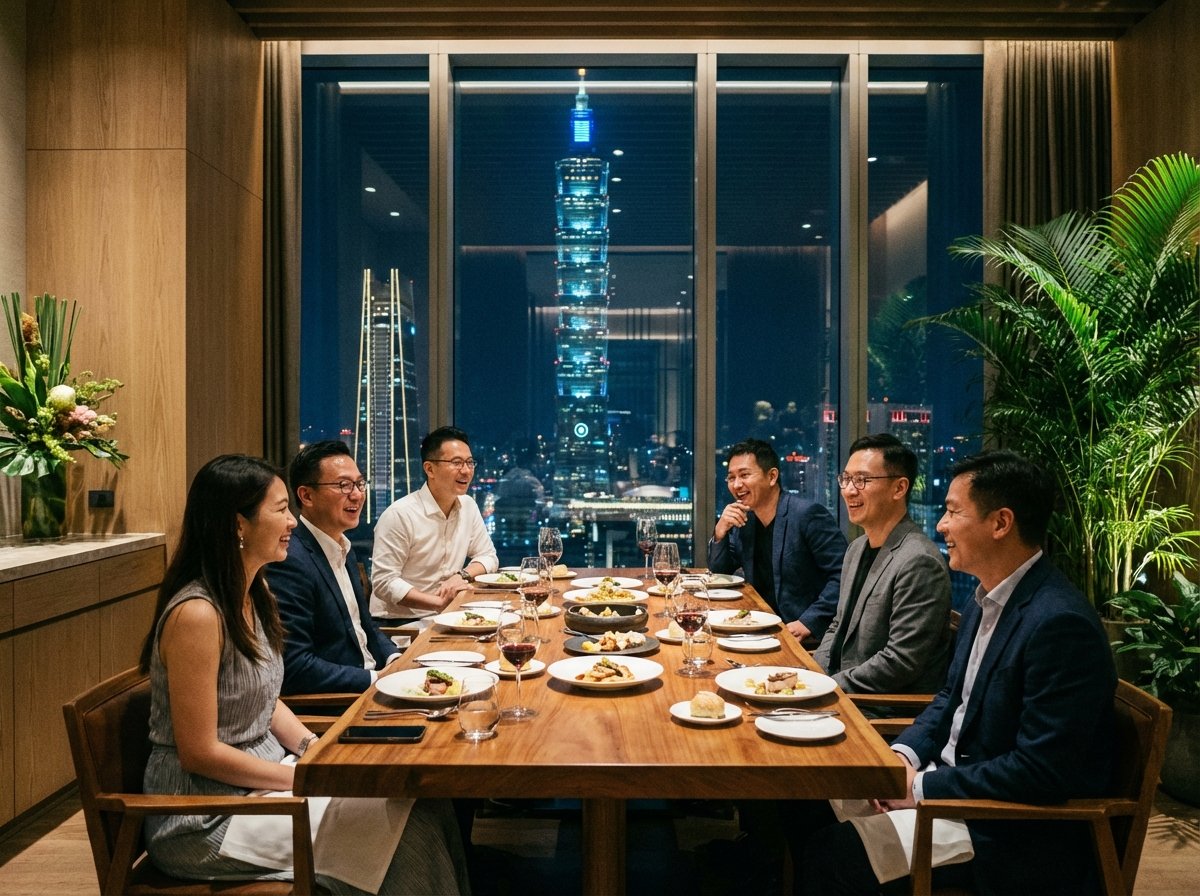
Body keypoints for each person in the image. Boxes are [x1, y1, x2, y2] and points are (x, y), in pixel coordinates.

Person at [138, 454, 470, 894]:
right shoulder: (197, 615)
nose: (292, 523)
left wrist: (313, 749)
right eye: (280, 510)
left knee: (418, 808)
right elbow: (200, 753)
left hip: (262, 784)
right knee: (400, 842)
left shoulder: (254, 595)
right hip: (206, 815)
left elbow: (265, 697)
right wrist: (305, 776)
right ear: (238, 524)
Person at [797, 451, 1116, 896]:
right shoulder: (988, 597)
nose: (941, 525)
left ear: (1001, 523)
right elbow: (949, 699)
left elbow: (1040, 770)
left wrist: (922, 788)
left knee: (834, 856)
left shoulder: (1060, 624)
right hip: (950, 788)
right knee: (806, 798)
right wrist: (903, 759)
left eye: (952, 511)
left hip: (1001, 830)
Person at [812, 433, 951, 694]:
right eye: (846, 479)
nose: (849, 490)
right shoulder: (856, 548)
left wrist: (826, 686)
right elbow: (837, 625)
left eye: (862, 480)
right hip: (840, 693)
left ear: (899, 488)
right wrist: (812, 675)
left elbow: (899, 662)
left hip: (877, 709)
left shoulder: (919, 561)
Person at [265, 441, 401, 695]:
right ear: (306, 496)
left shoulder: (342, 547)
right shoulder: (290, 561)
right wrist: (376, 678)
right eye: (343, 485)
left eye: (360, 484)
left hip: (372, 683)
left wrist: (395, 660)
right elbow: (294, 666)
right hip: (343, 701)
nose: (357, 495)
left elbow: (366, 627)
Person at [708, 438, 846, 643]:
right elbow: (720, 573)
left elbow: (844, 575)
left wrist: (809, 622)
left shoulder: (806, 515)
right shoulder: (746, 520)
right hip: (758, 627)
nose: (737, 485)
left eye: (745, 475)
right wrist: (720, 532)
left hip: (804, 636)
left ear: (772, 476)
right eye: (731, 478)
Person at [371, 426, 499, 619]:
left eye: (470, 463)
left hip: (448, 615)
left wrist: (462, 575)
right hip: (401, 625)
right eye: (456, 463)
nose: (465, 471)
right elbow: (384, 582)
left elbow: (489, 556)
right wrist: (437, 603)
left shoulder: (468, 505)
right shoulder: (400, 515)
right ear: (430, 469)